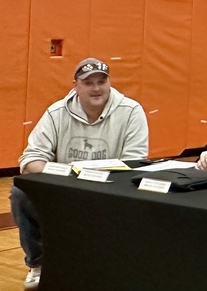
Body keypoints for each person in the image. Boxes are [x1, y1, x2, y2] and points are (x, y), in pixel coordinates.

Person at [12, 57, 150, 289]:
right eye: (88, 83)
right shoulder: (56, 113)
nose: (96, 88)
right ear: (75, 85)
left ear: (109, 82)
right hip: (66, 187)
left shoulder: (131, 111)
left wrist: (94, 178)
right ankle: (38, 264)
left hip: (111, 189)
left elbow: (134, 163)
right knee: (20, 193)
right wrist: (71, 173)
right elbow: (29, 162)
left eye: (101, 81)